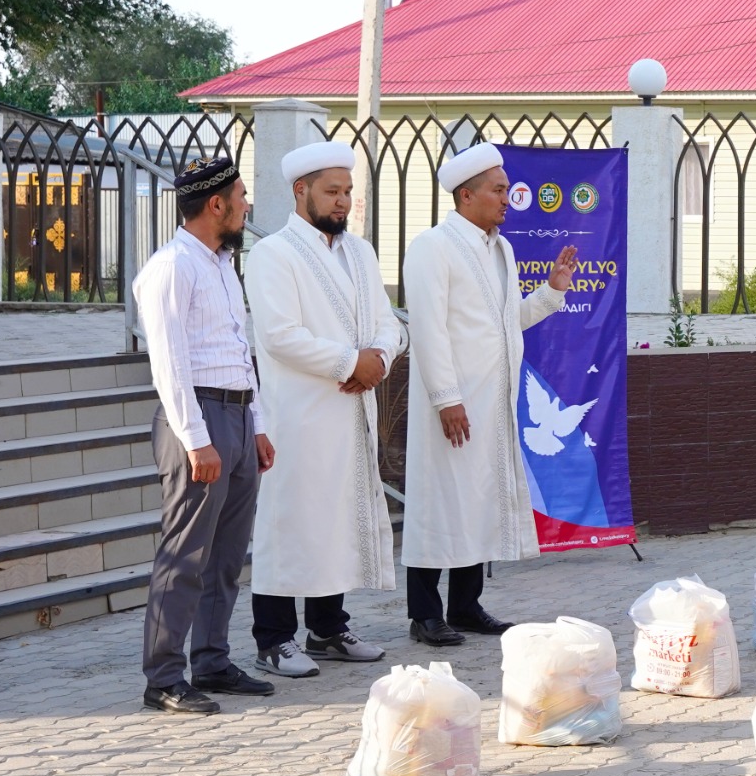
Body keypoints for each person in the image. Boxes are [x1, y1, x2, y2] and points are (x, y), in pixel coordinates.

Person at [400, 143, 577, 645]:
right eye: (498, 190)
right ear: (466, 195)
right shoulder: (432, 247)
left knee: (478, 499)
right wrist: (446, 398)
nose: (507, 198)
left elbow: (507, 322)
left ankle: (464, 606)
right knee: (440, 500)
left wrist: (552, 290)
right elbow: (428, 329)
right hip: (452, 401)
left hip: (493, 401)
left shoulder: (502, 248)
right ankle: (424, 614)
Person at [244, 141, 403, 676]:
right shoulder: (273, 254)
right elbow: (280, 335)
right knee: (289, 521)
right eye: (332, 191)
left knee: (335, 520)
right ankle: (272, 639)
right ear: (301, 191)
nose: (342, 201)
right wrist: (350, 362)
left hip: (352, 411)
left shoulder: (361, 253)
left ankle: (328, 629)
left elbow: (388, 322)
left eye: (348, 191)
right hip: (298, 415)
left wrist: (379, 357)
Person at [134, 155, 275, 714]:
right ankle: (163, 677)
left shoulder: (220, 264)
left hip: (236, 416)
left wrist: (257, 425)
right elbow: (169, 364)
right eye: (241, 197)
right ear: (216, 204)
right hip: (198, 418)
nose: (246, 205)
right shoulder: (172, 267)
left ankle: (212, 661)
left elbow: (240, 350)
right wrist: (196, 440)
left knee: (226, 557)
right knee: (186, 554)